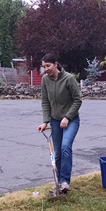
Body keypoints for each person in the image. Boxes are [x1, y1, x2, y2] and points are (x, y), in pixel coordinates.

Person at [37, 53, 82, 194]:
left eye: (48, 66)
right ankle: (58, 182)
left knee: (65, 147)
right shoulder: (45, 80)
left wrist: (67, 117)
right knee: (57, 153)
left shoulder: (69, 79)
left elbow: (77, 100)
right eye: (44, 66)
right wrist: (45, 121)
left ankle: (65, 182)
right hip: (55, 120)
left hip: (71, 119)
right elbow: (45, 101)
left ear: (56, 64)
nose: (46, 69)